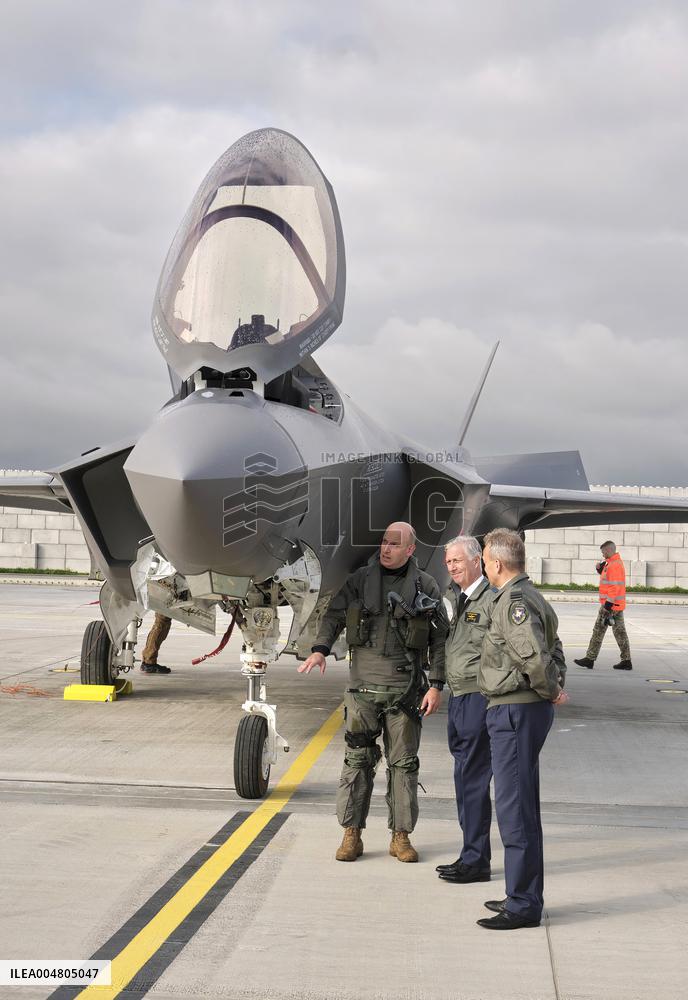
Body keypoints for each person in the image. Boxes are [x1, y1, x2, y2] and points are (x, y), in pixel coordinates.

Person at [298, 522, 448, 863]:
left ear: (410, 549)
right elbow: (333, 616)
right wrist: (320, 649)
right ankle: (351, 833)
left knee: (404, 765)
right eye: (384, 542)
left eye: (394, 544)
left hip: (405, 692)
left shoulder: (425, 586)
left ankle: (401, 836)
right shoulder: (360, 580)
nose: (386, 548)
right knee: (356, 762)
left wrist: (437, 684)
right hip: (362, 690)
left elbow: (440, 639)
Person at [477, 528, 568, 930]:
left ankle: (524, 904)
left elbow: (534, 656)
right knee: (522, 806)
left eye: (484, 559)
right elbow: (555, 647)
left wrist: (552, 689)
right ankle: (522, 892)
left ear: (497, 563)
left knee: (514, 808)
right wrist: (554, 686)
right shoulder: (531, 596)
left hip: (515, 710)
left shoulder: (513, 602)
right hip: (520, 709)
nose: (483, 565)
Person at [436, 535, 495, 885]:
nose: (451, 567)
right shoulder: (459, 598)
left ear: (477, 561)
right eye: (448, 562)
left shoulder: (491, 599)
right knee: (463, 778)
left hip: (478, 697)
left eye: (457, 560)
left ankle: (476, 860)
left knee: (473, 780)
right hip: (459, 697)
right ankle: (471, 854)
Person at [574, 540, 632, 671]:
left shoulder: (613, 565)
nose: (602, 554)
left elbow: (614, 587)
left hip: (610, 605)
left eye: (603, 552)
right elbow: (609, 579)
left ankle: (590, 659)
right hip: (616, 605)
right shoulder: (611, 563)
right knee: (620, 633)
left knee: (598, 631)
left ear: (608, 550)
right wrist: (600, 570)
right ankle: (626, 660)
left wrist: (607, 606)